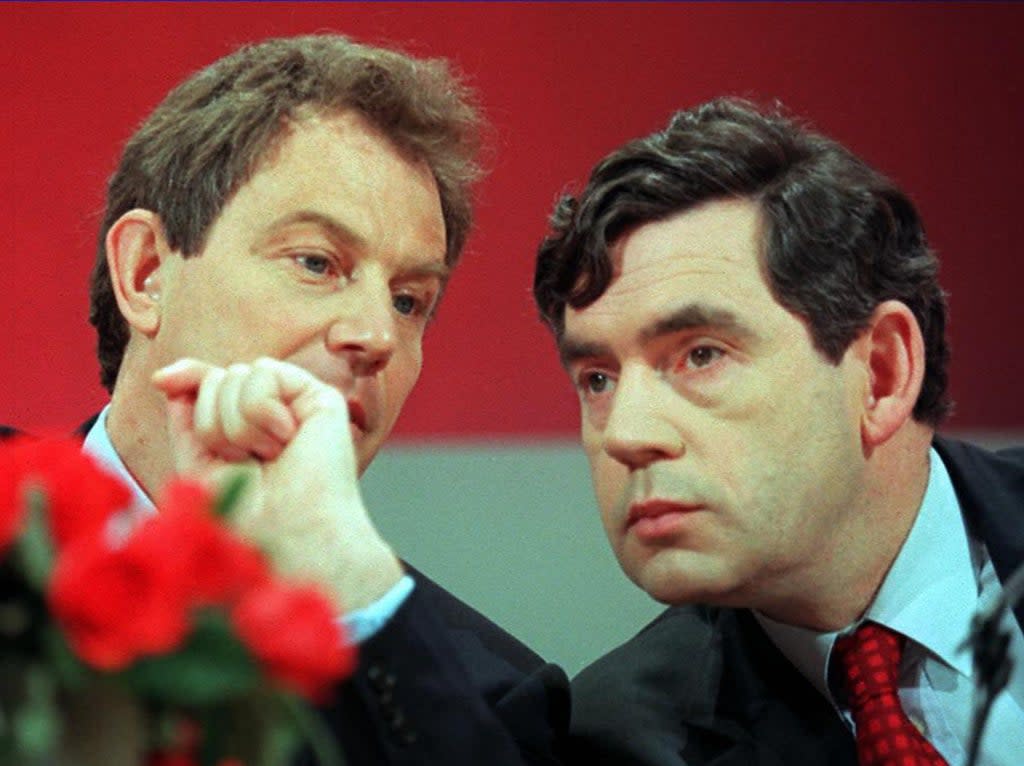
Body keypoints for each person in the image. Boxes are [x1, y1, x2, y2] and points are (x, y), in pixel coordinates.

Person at [40, 34, 568, 764]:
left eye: (411, 300)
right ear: (147, 272)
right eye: (317, 262)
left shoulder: (483, 700)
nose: (378, 334)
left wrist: (345, 580)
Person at [533, 98, 1024, 765]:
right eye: (597, 379)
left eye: (700, 354)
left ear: (880, 373)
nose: (625, 434)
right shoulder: (616, 742)